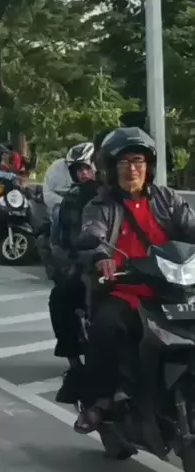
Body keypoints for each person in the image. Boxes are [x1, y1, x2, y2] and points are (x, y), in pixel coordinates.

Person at [74, 127, 195, 434]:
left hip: (173, 290)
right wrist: (102, 255)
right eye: (124, 162)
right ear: (112, 169)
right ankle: (102, 401)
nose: (132, 168)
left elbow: (190, 226)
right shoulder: (100, 206)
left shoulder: (166, 199)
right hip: (127, 289)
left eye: (138, 160)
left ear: (149, 165)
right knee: (108, 328)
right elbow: (92, 235)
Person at [46, 141, 98, 404]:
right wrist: (67, 262)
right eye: (78, 170)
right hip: (86, 267)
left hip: (128, 268)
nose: (82, 174)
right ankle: (74, 362)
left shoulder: (129, 197)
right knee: (60, 298)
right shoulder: (72, 199)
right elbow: (61, 239)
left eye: (86, 168)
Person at [43, 143, 94, 220]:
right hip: (64, 211)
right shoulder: (57, 170)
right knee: (58, 214)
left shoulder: (104, 177)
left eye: (88, 167)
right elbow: (48, 195)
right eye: (78, 168)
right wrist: (66, 202)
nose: (84, 172)